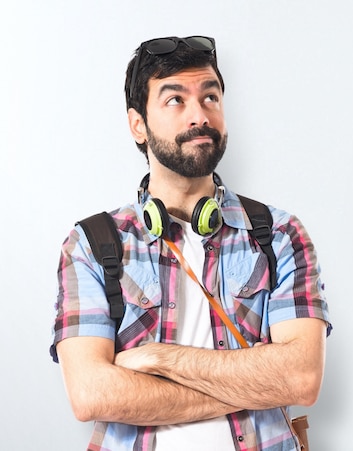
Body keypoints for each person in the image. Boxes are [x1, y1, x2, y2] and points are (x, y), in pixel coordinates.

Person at [50, 35, 331, 451]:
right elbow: (92, 394)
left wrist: (160, 358)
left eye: (211, 97)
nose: (200, 115)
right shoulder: (91, 244)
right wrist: (255, 386)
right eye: (175, 100)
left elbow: (301, 380)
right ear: (138, 124)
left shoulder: (279, 234)